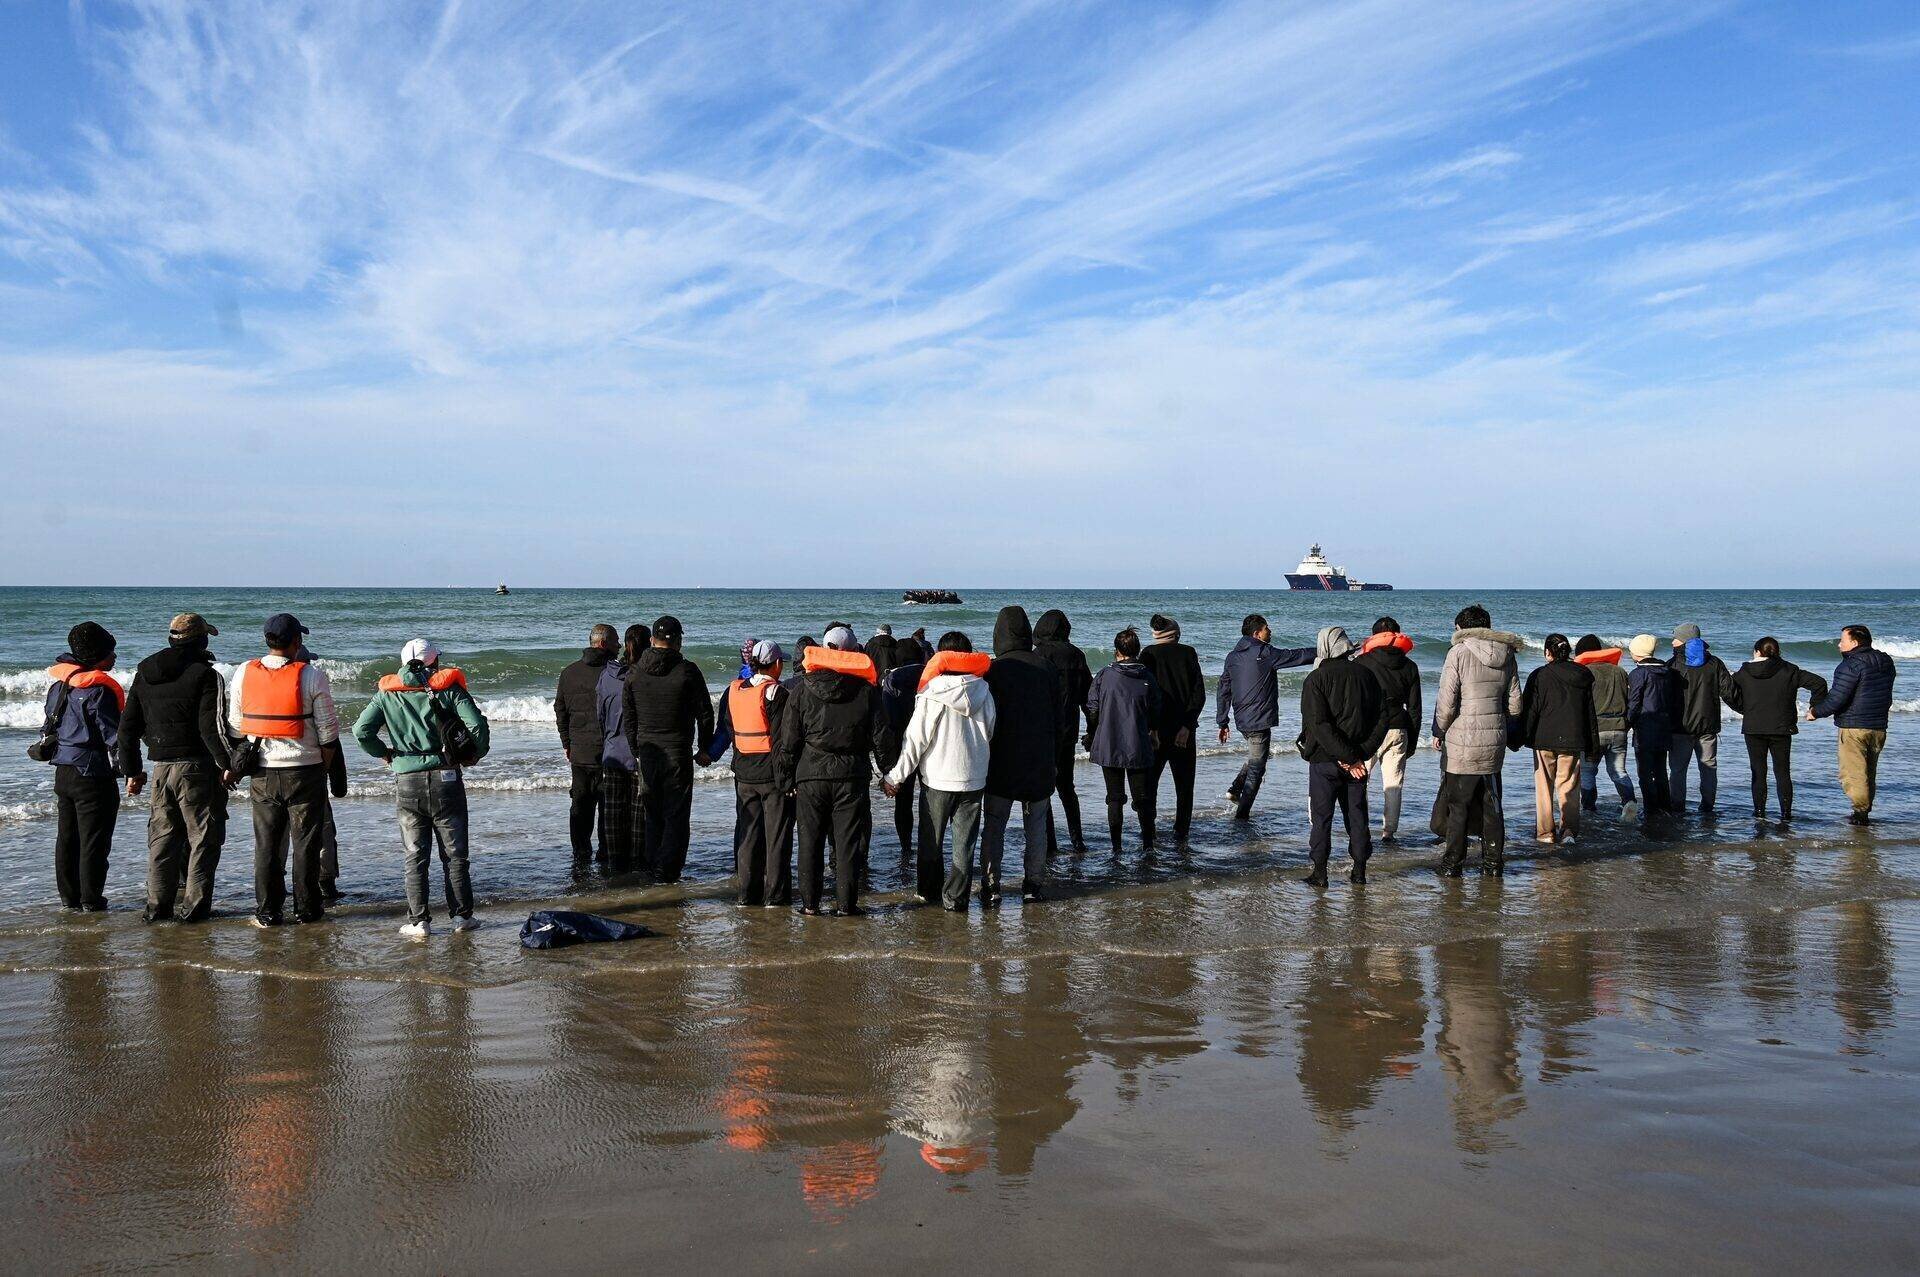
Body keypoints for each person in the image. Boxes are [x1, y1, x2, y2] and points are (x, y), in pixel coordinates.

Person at [352, 639, 491, 937]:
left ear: (403, 665)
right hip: (446, 778)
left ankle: (419, 922)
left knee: (415, 854)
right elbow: (477, 727)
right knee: (455, 855)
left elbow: (360, 731)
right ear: (434, 664)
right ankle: (462, 917)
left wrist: (386, 754)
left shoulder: (386, 695)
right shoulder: (449, 690)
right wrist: (475, 754)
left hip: (407, 780)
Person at [118, 613, 235, 923]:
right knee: (204, 839)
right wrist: (228, 764)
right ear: (201, 641)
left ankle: (157, 908)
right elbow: (212, 728)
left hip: (160, 769)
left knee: (162, 839)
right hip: (196, 767)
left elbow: (127, 727)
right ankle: (194, 910)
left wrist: (132, 770)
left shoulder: (145, 672)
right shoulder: (206, 675)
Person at [228, 613, 341, 926]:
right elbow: (329, 730)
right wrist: (324, 765)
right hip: (304, 770)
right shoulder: (312, 675)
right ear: (296, 642)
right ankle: (307, 910)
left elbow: (236, 723)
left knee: (266, 845)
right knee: (306, 844)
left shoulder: (243, 672)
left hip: (263, 773)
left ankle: (267, 911)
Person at [883, 633, 996, 910]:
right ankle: (956, 899)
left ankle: (929, 894)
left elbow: (915, 741)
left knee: (931, 841)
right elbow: (990, 731)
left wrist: (894, 777)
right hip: (973, 778)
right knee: (964, 844)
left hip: (937, 779)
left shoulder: (932, 693)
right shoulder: (984, 690)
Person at [776, 627, 883, 915]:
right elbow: (880, 736)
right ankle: (846, 907)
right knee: (847, 844)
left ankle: (810, 906)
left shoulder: (802, 689)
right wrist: (889, 772)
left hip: (811, 775)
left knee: (809, 841)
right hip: (851, 776)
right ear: (853, 653)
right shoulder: (866, 691)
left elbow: (789, 740)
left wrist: (785, 778)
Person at [622, 616, 714, 882]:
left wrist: (635, 747)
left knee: (653, 813)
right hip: (677, 751)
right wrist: (704, 747)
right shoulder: (687, 670)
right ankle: (668, 870)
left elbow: (629, 715)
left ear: (653, 640)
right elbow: (705, 713)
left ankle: (654, 866)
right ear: (679, 641)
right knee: (676, 815)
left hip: (648, 750)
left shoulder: (636, 671)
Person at [1432, 605, 1522, 876]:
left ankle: (1452, 866)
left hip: (1463, 740)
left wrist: (1438, 731)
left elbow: (1447, 702)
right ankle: (1493, 864)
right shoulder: (1507, 654)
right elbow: (1516, 704)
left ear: (1462, 628)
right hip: (1494, 737)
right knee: (1492, 805)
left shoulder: (1457, 652)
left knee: (1457, 807)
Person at [982, 607, 1062, 904]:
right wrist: (1055, 758)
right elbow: (1058, 719)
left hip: (1001, 759)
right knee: (1036, 825)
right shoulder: (1046, 669)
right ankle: (1033, 885)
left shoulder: (993, 670)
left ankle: (992, 886)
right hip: (1039, 758)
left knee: (994, 824)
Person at [41, 623, 123, 912]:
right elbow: (112, 735)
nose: (114, 657)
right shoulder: (99, 690)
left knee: (67, 837)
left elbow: (49, 723)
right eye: (110, 652)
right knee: (94, 841)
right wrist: (131, 770)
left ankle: (69, 899)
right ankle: (91, 900)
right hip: (93, 772)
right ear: (97, 656)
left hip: (62, 770)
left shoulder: (59, 685)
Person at [1298, 626, 1387, 886]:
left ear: (1324, 647)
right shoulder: (1368, 676)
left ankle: (1320, 873)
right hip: (1358, 760)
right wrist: (1359, 755)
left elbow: (1319, 725)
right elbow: (1382, 719)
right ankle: (1359, 871)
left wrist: (1348, 757)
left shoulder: (1315, 679)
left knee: (1322, 818)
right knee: (1357, 816)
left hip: (1325, 761)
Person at [711, 641, 793, 906]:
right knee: (776, 837)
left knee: (748, 836)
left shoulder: (734, 690)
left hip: (743, 774)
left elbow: (728, 728)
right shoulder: (776, 693)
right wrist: (787, 779)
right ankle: (776, 897)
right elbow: (783, 741)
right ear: (777, 664)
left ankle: (747, 895)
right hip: (771, 776)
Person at [1216, 614, 1316, 819]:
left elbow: (1223, 689)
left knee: (1258, 755)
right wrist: (1325, 650)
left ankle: (1235, 789)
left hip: (1242, 719)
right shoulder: (1264, 652)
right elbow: (1296, 656)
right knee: (1257, 766)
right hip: (1258, 719)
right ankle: (1242, 815)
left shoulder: (1232, 656)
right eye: (1266, 628)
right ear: (1257, 634)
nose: (1270, 631)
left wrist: (1223, 721)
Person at [1724, 636, 1827, 821]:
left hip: (1754, 727)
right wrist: (1815, 708)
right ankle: (1786, 814)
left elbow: (1728, 693)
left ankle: (1759, 813)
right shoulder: (1789, 670)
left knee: (1758, 772)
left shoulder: (1744, 672)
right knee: (1782, 772)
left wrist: (1744, 709)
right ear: (1777, 652)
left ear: (1757, 652)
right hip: (1781, 727)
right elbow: (1819, 683)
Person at [1809, 625, 1898, 825]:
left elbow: (1837, 699)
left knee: (1853, 774)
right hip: (1878, 725)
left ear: (1855, 643)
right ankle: (1863, 812)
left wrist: (1815, 712)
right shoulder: (1885, 661)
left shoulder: (1850, 665)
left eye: (1843, 640)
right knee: (1868, 772)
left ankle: (1860, 814)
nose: (1839, 644)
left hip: (1854, 726)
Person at [1085, 628, 1160, 855]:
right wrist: (1153, 732)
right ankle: (1148, 845)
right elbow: (1155, 709)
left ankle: (1116, 847)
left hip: (1109, 741)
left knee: (1114, 797)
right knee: (1143, 798)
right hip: (1138, 741)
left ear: (1117, 651)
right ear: (1136, 651)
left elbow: (1093, 708)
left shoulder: (1105, 675)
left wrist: (1092, 733)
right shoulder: (1146, 676)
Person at [1519, 633, 1598, 846]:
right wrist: (1592, 746)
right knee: (1569, 786)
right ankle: (1569, 831)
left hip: (1543, 738)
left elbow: (1531, 710)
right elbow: (1589, 713)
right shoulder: (1583, 675)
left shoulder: (1540, 675)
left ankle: (1545, 833)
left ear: (1548, 652)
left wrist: (1520, 737)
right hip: (1573, 738)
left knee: (1544, 786)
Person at [1139, 613, 1205, 851]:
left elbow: (1143, 696)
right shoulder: (1188, 653)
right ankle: (1181, 833)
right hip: (1184, 732)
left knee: (1150, 785)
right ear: (1175, 634)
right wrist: (1188, 725)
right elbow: (1198, 694)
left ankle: (1149, 832)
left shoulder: (1147, 654)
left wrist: (1151, 728)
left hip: (1155, 732)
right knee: (1185, 787)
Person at [554, 624, 617, 868]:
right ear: (603, 644)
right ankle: (604, 854)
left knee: (580, 805)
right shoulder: (614, 673)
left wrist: (566, 743)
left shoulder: (569, 672)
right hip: (608, 751)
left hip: (579, 752)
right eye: (615, 642)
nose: (619, 647)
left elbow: (560, 709)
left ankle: (580, 854)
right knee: (606, 806)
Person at [291, 637, 348, 901]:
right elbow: (330, 736)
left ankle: (276, 888)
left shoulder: (270, 690)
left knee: (279, 834)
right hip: (311, 769)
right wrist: (337, 781)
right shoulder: (313, 686)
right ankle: (325, 884)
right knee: (321, 829)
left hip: (276, 771)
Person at [1354, 618, 1420, 844]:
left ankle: (1359, 825)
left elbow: (1355, 702)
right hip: (1398, 727)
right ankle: (1388, 832)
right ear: (1397, 636)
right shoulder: (1409, 666)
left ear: (1373, 637)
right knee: (1393, 783)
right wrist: (1412, 742)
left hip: (1369, 728)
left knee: (1360, 780)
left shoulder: (1362, 662)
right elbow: (1414, 709)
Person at [1033, 609, 1093, 856]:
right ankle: (1077, 840)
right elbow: (1089, 698)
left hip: (1043, 732)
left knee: (1044, 790)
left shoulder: (1038, 655)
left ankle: (1050, 844)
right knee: (1067, 787)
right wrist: (1092, 729)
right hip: (1068, 730)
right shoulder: (1076, 655)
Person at [595, 624, 649, 871]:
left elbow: (601, 714)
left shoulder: (607, 675)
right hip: (637, 753)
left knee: (613, 814)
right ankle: (637, 863)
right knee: (638, 816)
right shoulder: (642, 675)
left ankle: (616, 864)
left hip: (612, 751)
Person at [1667, 622, 1734, 818]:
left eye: (1676, 638)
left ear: (1685, 640)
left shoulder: (1673, 665)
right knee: (1708, 767)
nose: (1672, 641)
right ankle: (1707, 806)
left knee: (1678, 770)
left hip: (1680, 727)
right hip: (1707, 726)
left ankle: (1677, 807)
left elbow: (1663, 696)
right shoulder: (1714, 663)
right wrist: (1746, 709)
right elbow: (1728, 692)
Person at [877, 635, 930, 861]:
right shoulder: (930, 675)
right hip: (930, 744)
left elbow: (886, 719)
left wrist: (887, 764)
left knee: (904, 800)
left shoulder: (892, 679)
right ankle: (930, 845)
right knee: (931, 797)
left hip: (902, 743)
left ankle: (906, 846)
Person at [1573, 635, 1636, 820]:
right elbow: (1629, 700)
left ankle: (1589, 808)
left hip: (1594, 731)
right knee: (1618, 771)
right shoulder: (1620, 672)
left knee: (1588, 771)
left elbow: (1581, 705)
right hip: (1619, 729)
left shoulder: (1584, 673)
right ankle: (1628, 802)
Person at [1626, 633, 1683, 819]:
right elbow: (1675, 701)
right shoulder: (1668, 672)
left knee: (1644, 772)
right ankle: (1665, 807)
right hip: (1664, 728)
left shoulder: (1638, 674)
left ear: (1637, 654)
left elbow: (1634, 703)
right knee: (1660, 770)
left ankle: (1651, 809)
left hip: (1645, 728)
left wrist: (1628, 723)